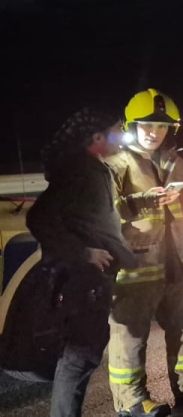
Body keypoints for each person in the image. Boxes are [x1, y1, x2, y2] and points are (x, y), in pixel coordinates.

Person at [105, 89, 183, 416]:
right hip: (137, 266)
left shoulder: (176, 162)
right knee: (130, 336)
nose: (154, 132)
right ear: (132, 126)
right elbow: (103, 211)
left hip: (180, 262)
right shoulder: (117, 163)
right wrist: (141, 202)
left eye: (161, 126)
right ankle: (131, 401)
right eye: (147, 125)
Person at [26, 109, 136, 417]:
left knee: (84, 355)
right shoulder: (80, 170)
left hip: (93, 280)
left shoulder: (92, 168)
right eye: (117, 130)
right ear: (97, 138)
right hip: (83, 280)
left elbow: (91, 217)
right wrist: (84, 253)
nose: (122, 137)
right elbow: (40, 218)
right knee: (78, 356)